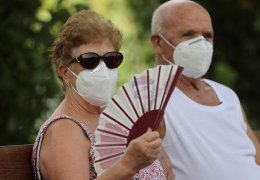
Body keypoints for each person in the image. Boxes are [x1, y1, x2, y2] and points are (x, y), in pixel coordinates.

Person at [150, 0, 260, 179]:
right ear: (159, 43)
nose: (201, 43)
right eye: (188, 34)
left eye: (207, 35)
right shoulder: (148, 98)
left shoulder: (227, 95)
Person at [32, 10, 168, 180]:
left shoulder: (118, 116)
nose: (103, 69)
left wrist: (157, 144)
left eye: (111, 59)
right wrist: (127, 165)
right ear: (65, 72)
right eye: (90, 60)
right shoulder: (63, 130)